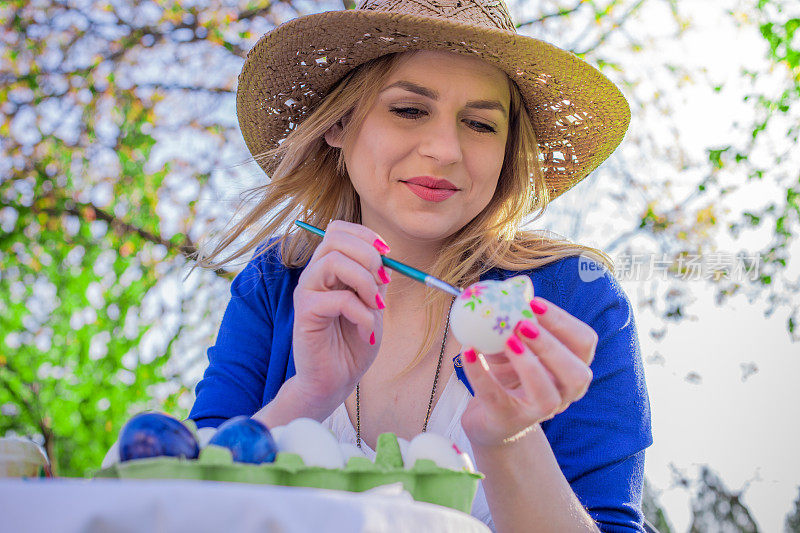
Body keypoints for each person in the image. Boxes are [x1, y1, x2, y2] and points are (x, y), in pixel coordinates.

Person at [188, 0, 652, 531]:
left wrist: (508, 441)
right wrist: (308, 395)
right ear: (338, 123)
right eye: (409, 110)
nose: (444, 149)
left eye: (480, 124)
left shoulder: (577, 298)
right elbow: (181, 507)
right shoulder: (273, 286)